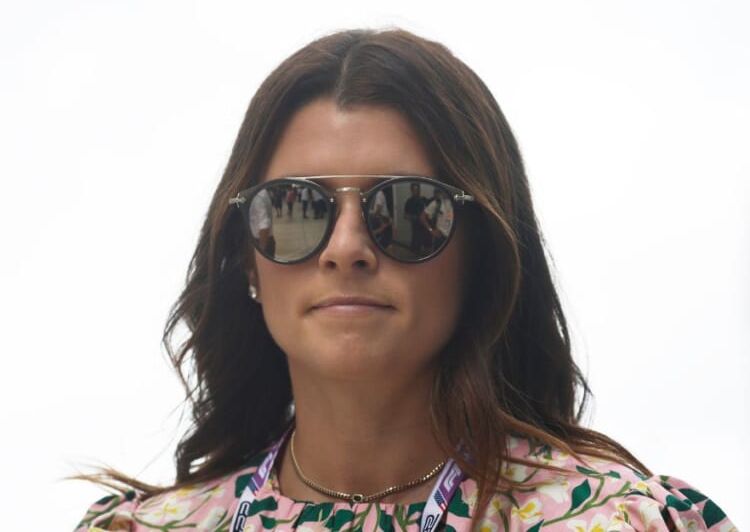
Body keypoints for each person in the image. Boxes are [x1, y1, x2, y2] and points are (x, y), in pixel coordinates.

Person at [74, 29, 736, 531]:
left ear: (484, 252)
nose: (347, 248)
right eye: (297, 210)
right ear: (247, 257)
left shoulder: (621, 521)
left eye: (409, 210)